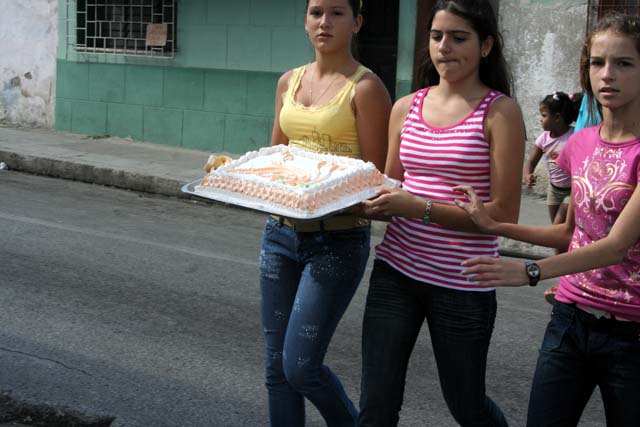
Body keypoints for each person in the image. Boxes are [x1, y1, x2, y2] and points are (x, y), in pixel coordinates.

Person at [456, 12, 640, 426]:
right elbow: (571, 232)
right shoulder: (581, 143)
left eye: (624, 63)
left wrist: (532, 271)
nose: (607, 74)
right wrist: (494, 225)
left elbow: (615, 246)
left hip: (632, 334)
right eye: (597, 63)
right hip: (570, 320)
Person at [358, 1, 525, 426]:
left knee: (466, 405)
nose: (445, 47)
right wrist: (338, 194)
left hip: (464, 280)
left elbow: (503, 211)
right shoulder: (406, 107)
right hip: (396, 271)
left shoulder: (500, 112)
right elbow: (390, 186)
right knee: (376, 403)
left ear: (486, 45)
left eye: (459, 37)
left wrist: (419, 207)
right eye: (436, 37)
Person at [258, 0, 391, 426]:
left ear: (357, 22)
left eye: (337, 12)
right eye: (316, 12)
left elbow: (377, 178)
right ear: (305, 21)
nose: (325, 22)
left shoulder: (366, 88)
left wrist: (323, 195)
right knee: (277, 371)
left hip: (335, 241)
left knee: (300, 366)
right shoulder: (288, 82)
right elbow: (275, 158)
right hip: (279, 235)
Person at [523, 91, 581, 225]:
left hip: (571, 191)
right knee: (558, 229)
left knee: (557, 226)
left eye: (544, 115)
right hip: (554, 191)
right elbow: (531, 162)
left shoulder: (574, 135)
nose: (540, 119)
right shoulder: (543, 139)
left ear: (557, 118)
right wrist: (528, 175)